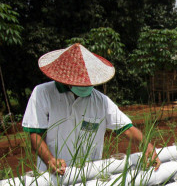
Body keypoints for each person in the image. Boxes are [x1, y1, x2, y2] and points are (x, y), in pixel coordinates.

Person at [22, 43, 160, 174]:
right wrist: (50, 160)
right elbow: (35, 134)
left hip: (89, 172)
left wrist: (148, 146)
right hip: (54, 173)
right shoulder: (43, 93)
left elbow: (127, 129)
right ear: (66, 78)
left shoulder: (101, 101)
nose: (85, 86)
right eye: (79, 82)